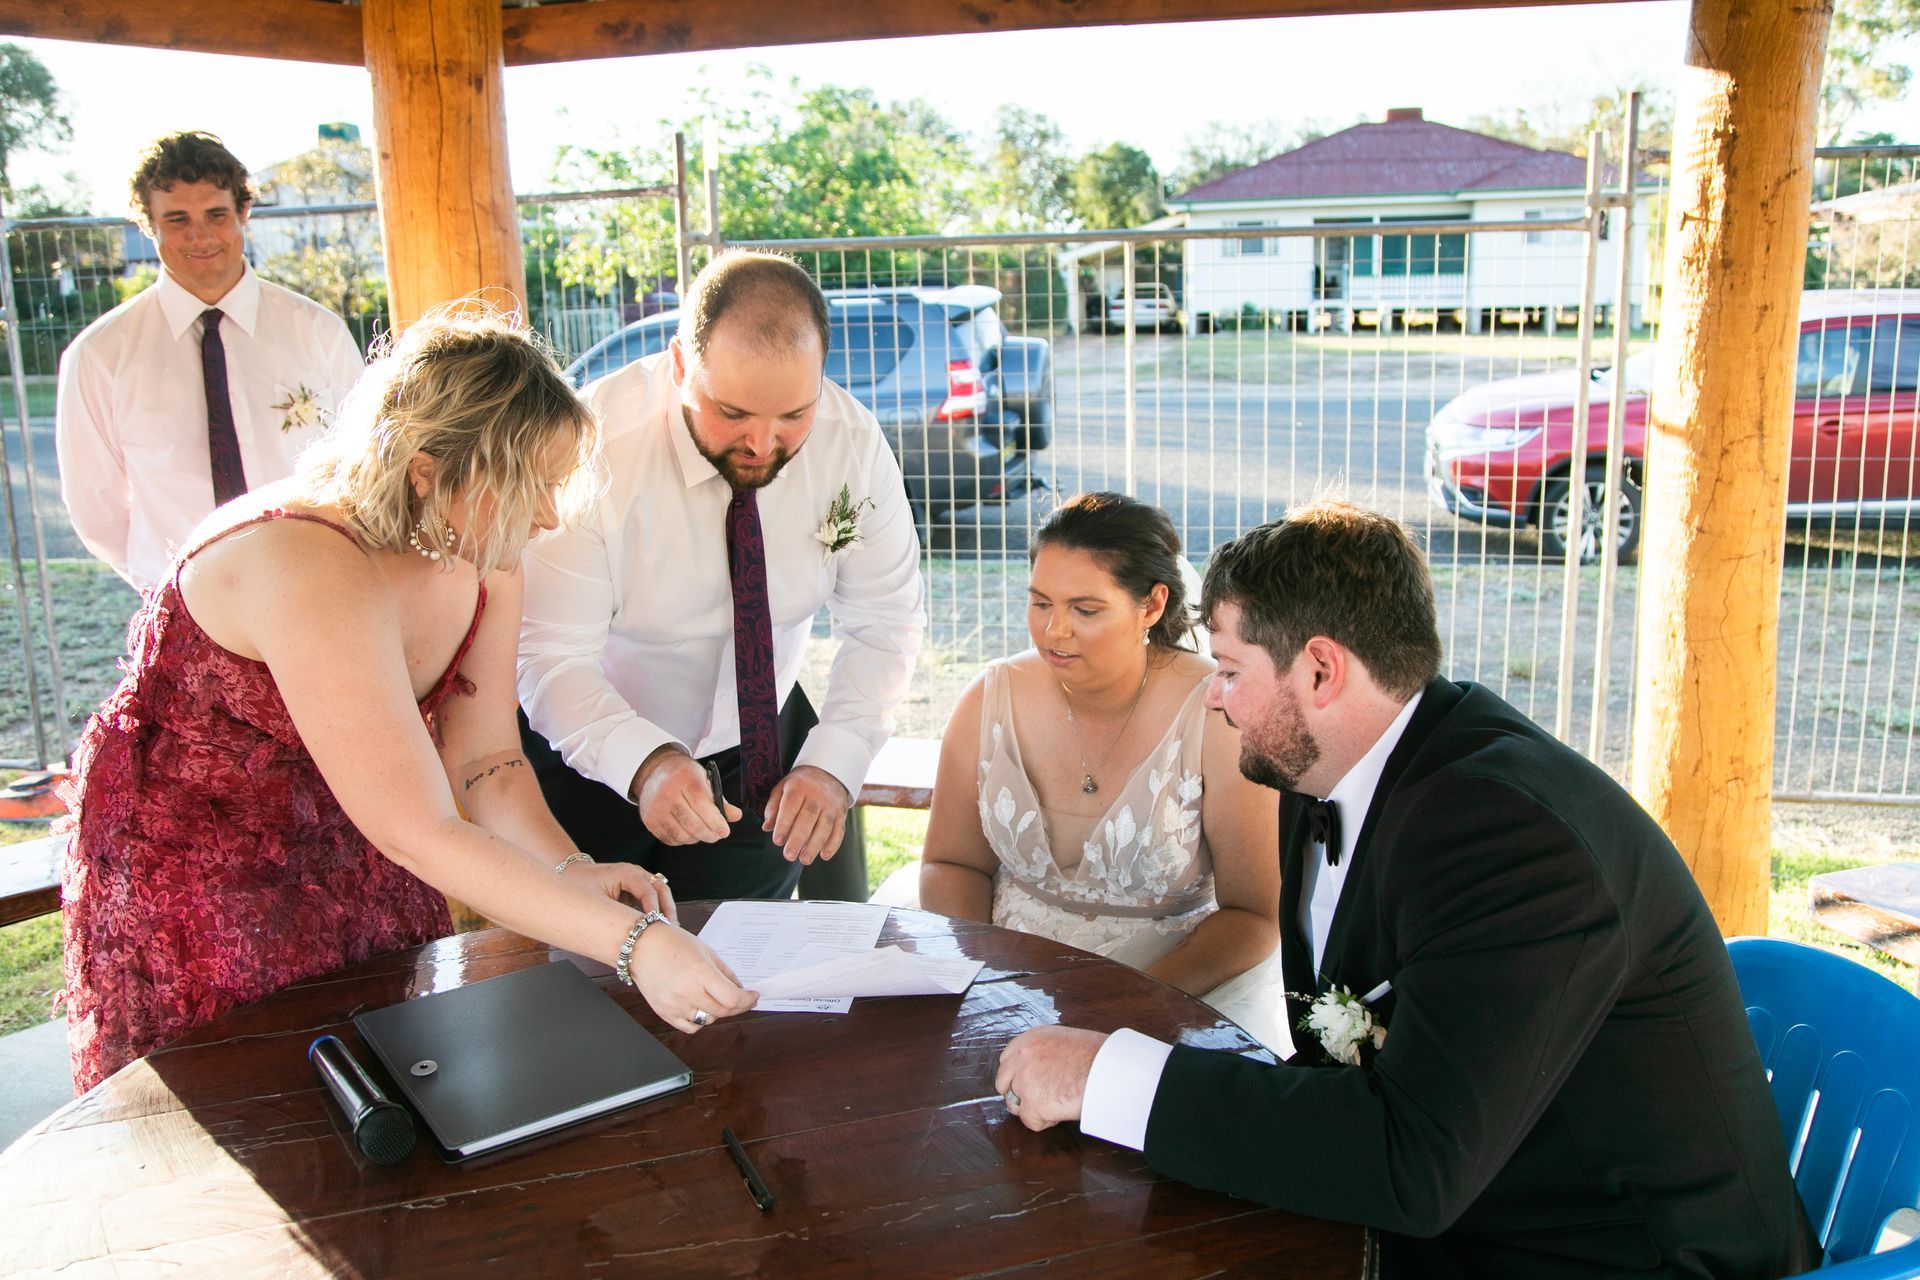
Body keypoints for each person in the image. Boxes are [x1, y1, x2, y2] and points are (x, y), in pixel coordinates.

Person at [994, 500, 1819, 1280]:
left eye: (1231, 670)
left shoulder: (1510, 838)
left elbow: (1412, 1163)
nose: (1214, 698)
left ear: (1321, 670)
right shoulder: (1317, 772)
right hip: (1470, 1206)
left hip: (1614, 1254)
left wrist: (1110, 1080)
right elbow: (1344, 1085)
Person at [57, 310, 754, 1094]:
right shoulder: (302, 561)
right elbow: (421, 828)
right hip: (204, 869)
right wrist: (636, 944)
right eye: (529, 487)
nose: (549, 516)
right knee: (254, 1104)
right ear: (426, 470)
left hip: (368, 843)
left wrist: (568, 870)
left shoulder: (480, 544)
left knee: (398, 1085)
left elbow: (485, 761)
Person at [517, 250, 925, 901]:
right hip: (592, 745)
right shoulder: (594, 447)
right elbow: (549, 655)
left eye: (794, 415)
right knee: (591, 963)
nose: (763, 444)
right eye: (732, 414)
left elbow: (886, 622)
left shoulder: (852, 441)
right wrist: (645, 762)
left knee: (741, 955)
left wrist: (833, 761)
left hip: (763, 741)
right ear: (681, 365)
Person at [918, 492, 1284, 1048]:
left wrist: (1130, 1001)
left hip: (1173, 990)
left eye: (1084, 610)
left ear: (1151, 606)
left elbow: (1253, 915)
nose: (1054, 632)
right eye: (1040, 604)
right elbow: (950, 863)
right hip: (1003, 978)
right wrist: (986, 974)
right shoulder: (989, 699)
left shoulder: (1217, 715)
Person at [55, 131, 365, 594]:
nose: (199, 235)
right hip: (181, 601)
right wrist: (172, 586)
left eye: (216, 214)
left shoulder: (317, 331)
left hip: (313, 582)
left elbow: (361, 464)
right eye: (177, 219)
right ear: (149, 225)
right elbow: (96, 507)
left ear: (243, 212)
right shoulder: (101, 354)